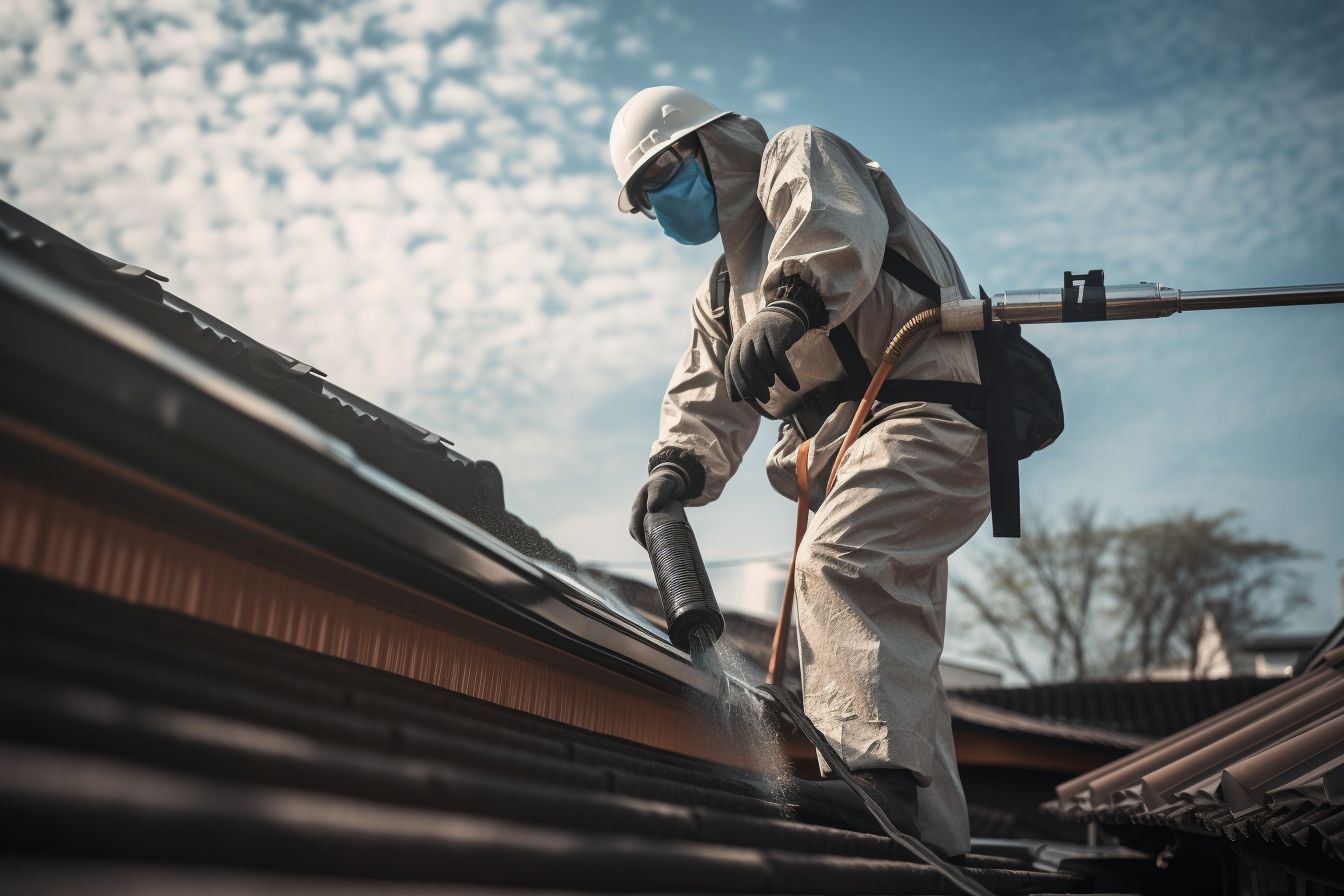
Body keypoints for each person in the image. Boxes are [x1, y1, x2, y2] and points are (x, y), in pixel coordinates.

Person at [611, 86, 990, 858]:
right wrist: (673, 470)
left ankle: (878, 793)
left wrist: (790, 304)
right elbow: (704, 392)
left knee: (838, 566)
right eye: (646, 199)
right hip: (854, 452)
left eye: (661, 178)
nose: (660, 205)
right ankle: (936, 849)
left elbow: (835, 223)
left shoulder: (796, 157)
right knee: (879, 636)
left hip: (929, 414)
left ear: (709, 150)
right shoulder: (722, 294)